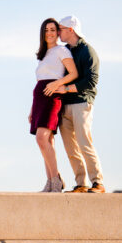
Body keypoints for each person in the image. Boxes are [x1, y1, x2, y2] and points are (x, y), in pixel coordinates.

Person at [44, 15, 105, 193]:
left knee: (84, 143)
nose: (57, 32)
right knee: (71, 148)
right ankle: (81, 184)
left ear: (71, 30)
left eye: (60, 29)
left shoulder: (88, 52)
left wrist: (67, 89)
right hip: (64, 106)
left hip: (81, 103)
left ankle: (98, 183)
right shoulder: (65, 51)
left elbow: (91, 81)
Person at [30, 18, 78, 193]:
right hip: (39, 98)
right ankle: (50, 182)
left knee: (41, 138)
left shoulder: (61, 50)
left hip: (52, 96)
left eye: (52, 29)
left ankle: (56, 179)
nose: (49, 33)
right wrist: (31, 110)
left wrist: (57, 84)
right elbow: (39, 81)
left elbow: (73, 73)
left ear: (57, 32)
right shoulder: (42, 55)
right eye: (46, 30)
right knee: (46, 141)